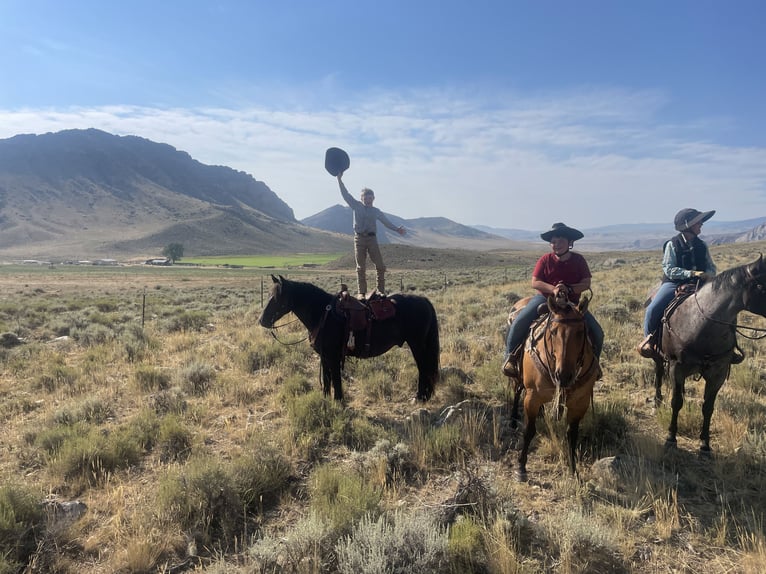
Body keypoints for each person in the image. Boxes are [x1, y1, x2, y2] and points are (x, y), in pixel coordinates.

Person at [502, 222, 604, 377]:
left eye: (561, 241)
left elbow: (586, 283)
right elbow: (535, 282)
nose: (556, 245)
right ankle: (510, 358)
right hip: (545, 300)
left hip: (572, 303)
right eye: (553, 242)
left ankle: (594, 364)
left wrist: (569, 289)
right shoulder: (545, 260)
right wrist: (553, 289)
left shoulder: (579, 260)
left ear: (570, 242)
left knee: (597, 332)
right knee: (519, 322)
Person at [638, 208, 716, 358]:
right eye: (698, 222)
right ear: (688, 225)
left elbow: (710, 266)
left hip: (700, 283)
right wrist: (690, 273)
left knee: (722, 302)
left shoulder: (702, 245)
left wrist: (708, 275)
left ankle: (728, 345)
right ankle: (649, 340)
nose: (701, 224)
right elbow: (669, 268)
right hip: (674, 283)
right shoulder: (672, 244)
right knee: (653, 309)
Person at [337, 171, 406, 296]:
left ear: (373, 198)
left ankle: (380, 290)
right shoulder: (356, 206)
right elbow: (345, 195)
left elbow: (386, 222)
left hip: (372, 239)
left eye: (370, 198)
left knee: (380, 265)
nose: (367, 200)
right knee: (360, 267)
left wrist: (397, 229)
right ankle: (361, 293)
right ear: (361, 198)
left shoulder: (376, 211)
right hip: (359, 239)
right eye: (365, 198)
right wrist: (339, 180)